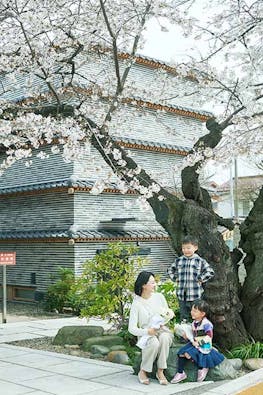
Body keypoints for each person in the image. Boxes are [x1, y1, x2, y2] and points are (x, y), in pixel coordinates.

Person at [128, 271, 174, 386]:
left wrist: (165, 320)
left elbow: (167, 314)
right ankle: (143, 371)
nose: (155, 285)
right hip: (146, 333)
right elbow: (131, 328)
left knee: (165, 338)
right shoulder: (137, 303)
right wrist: (147, 331)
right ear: (144, 285)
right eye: (152, 283)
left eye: (155, 282)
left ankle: (160, 371)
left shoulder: (159, 297)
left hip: (161, 329)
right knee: (154, 343)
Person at [171, 299, 224, 383]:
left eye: (195, 311)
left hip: (204, 344)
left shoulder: (206, 324)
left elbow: (209, 336)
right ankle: (180, 372)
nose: (192, 312)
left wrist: (199, 343)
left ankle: (203, 367)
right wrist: (187, 336)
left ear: (202, 314)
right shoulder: (194, 323)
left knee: (190, 354)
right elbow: (193, 334)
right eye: (192, 310)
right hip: (195, 343)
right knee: (182, 353)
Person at [168, 235, 214, 322]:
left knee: (197, 318)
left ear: (195, 247)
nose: (186, 250)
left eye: (188, 248)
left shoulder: (200, 261)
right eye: (183, 248)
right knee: (184, 318)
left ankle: (197, 334)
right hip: (182, 296)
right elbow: (170, 270)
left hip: (195, 296)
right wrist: (175, 278)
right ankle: (184, 335)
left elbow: (210, 271)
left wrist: (201, 278)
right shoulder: (179, 260)